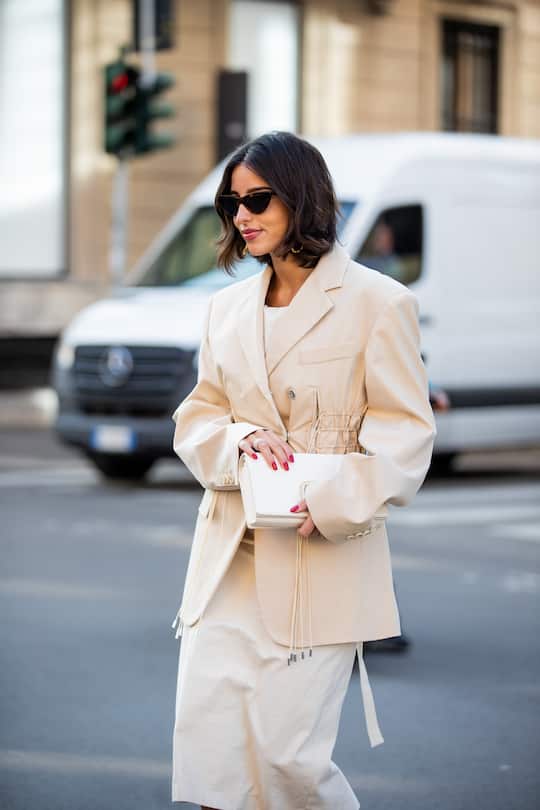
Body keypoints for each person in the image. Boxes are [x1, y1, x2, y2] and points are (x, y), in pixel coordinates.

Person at [170, 131, 436, 810]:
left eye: (257, 199)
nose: (242, 216)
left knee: (289, 762)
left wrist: (337, 498)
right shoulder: (224, 310)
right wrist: (235, 438)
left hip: (322, 560)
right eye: (232, 203)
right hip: (229, 560)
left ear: (302, 197)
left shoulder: (379, 304)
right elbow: (195, 419)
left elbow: (405, 433)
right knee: (214, 755)